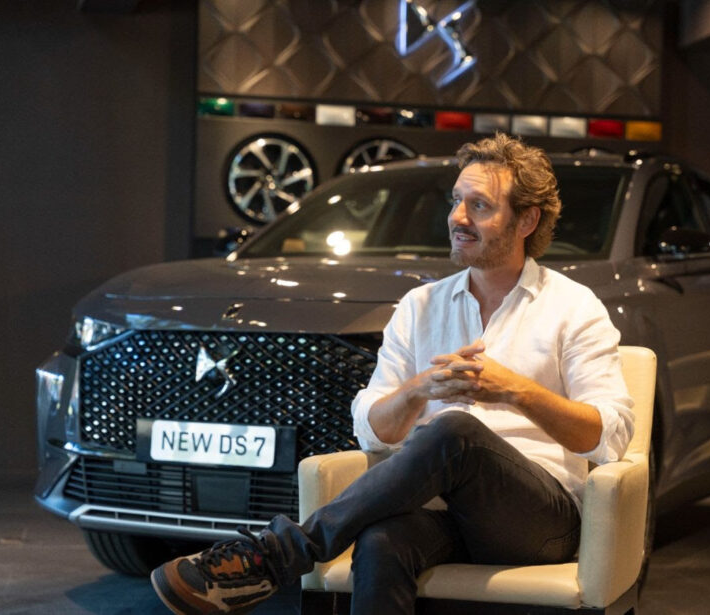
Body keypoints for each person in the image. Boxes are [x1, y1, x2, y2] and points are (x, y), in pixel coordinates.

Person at [150, 133, 635, 615]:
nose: (458, 218)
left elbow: (609, 437)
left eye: (480, 206)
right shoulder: (419, 306)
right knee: (381, 541)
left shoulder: (574, 307)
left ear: (527, 220)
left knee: (455, 431)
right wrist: (418, 390)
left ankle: (277, 555)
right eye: (456, 201)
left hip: (539, 523)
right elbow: (372, 432)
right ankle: (277, 556)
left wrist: (516, 392)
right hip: (445, 514)